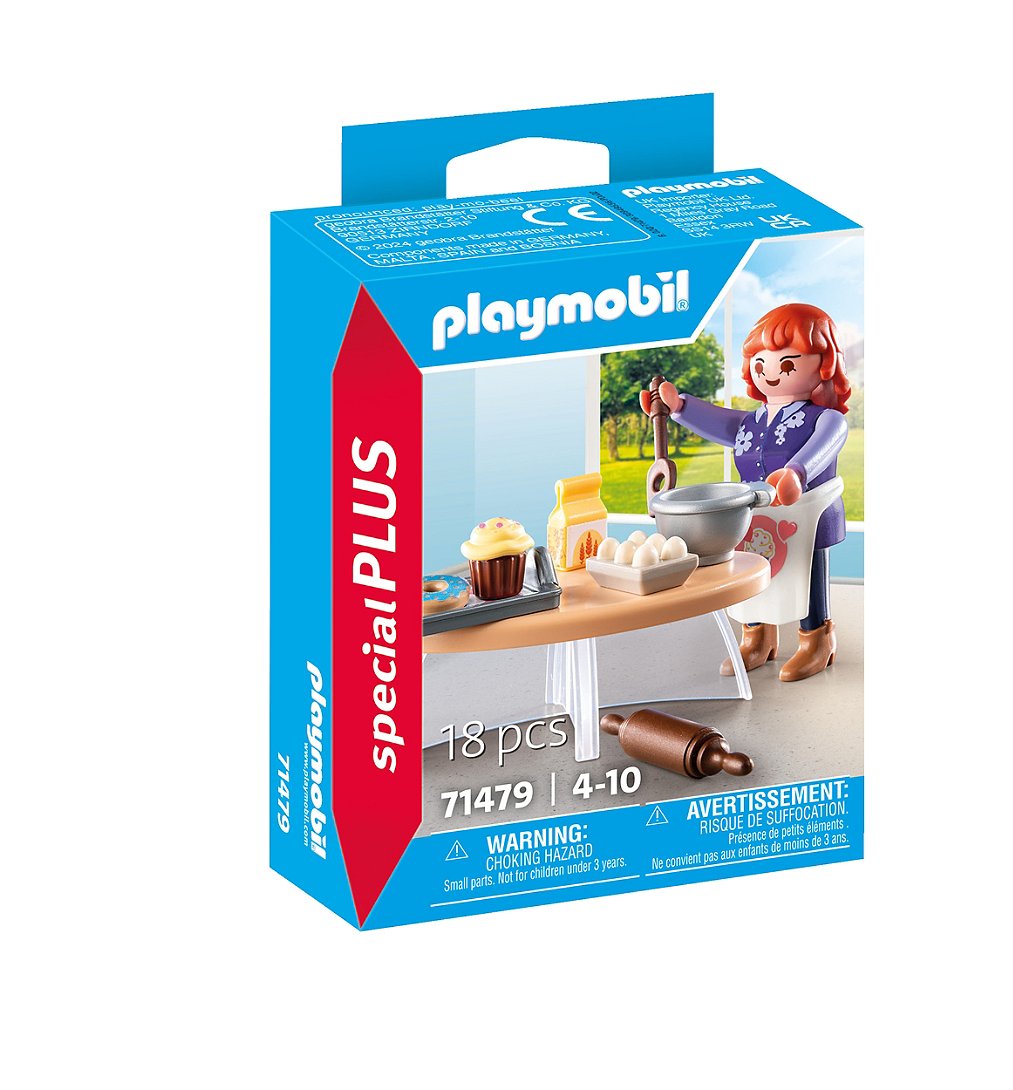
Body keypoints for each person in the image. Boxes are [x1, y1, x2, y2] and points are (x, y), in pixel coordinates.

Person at [640, 303, 851, 682]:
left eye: (787, 364)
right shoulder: (752, 422)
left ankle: (817, 638)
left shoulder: (826, 419)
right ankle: (756, 636)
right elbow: (721, 422)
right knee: (750, 571)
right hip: (757, 513)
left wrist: (796, 473)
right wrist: (679, 407)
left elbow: (823, 447)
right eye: (760, 362)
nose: (770, 371)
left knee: (807, 573)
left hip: (807, 512)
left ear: (824, 364)